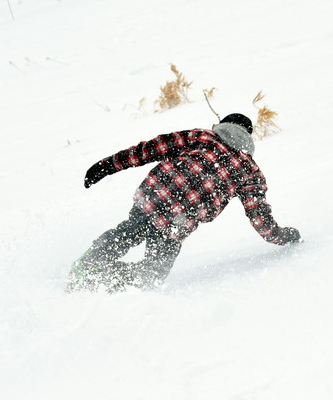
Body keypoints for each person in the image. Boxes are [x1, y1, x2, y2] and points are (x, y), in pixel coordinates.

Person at [68, 113, 301, 291]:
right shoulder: (249, 171)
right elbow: (259, 216)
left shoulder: (202, 136)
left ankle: (89, 267)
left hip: (152, 200)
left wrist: (107, 165)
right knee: (153, 275)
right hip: (178, 223)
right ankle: (106, 283)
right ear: (248, 138)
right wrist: (282, 236)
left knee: (127, 233)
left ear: (221, 126)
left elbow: (149, 149)